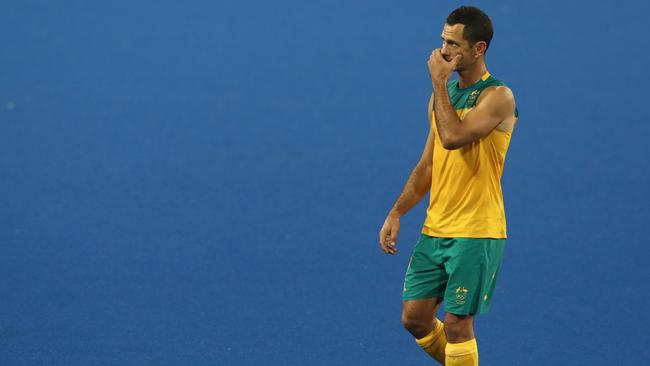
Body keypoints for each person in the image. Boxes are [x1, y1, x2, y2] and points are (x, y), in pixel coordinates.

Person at [378, 6, 518, 366]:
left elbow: (454, 137)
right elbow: (428, 164)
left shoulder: (498, 97)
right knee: (415, 317)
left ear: (478, 49)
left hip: (476, 230)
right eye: (442, 41)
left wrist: (438, 83)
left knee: (457, 324)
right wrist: (397, 211)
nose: (443, 51)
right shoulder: (441, 100)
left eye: (453, 44)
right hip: (436, 227)